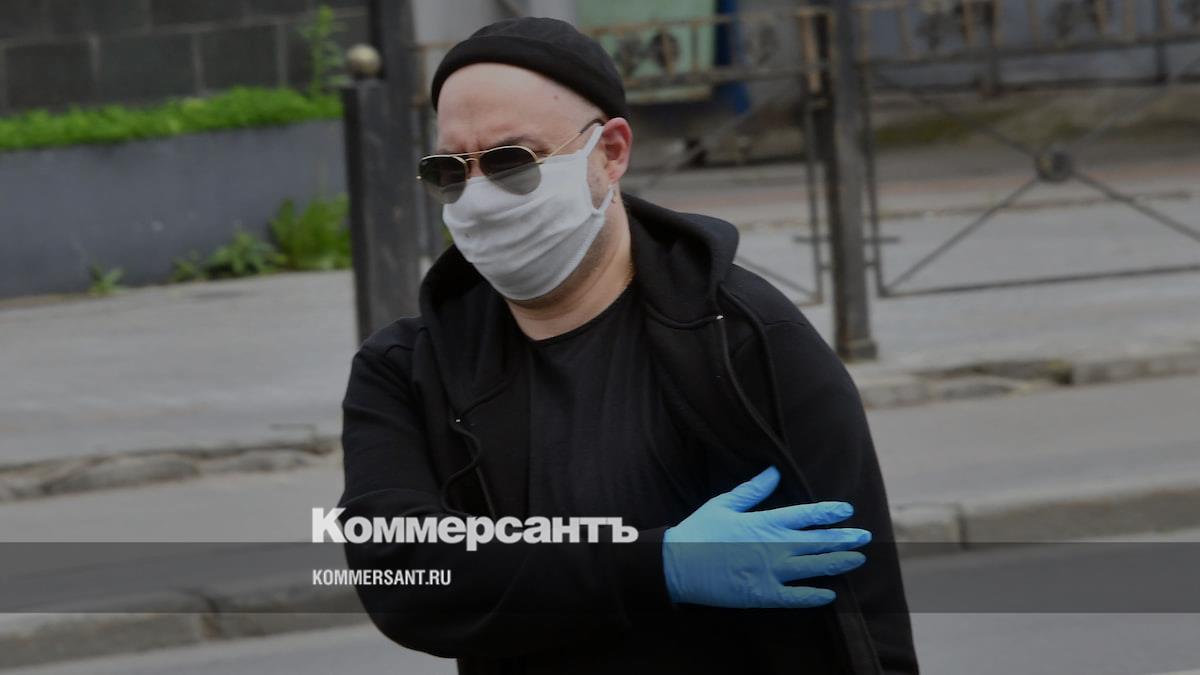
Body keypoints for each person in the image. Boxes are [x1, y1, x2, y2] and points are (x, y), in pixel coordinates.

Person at [337, 16, 917, 675]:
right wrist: (655, 563)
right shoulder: (405, 369)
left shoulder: (741, 341)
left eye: (512, 161)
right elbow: (403, 573)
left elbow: (860, 621)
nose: (479, 198)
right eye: (449, 171)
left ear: (610, 153)